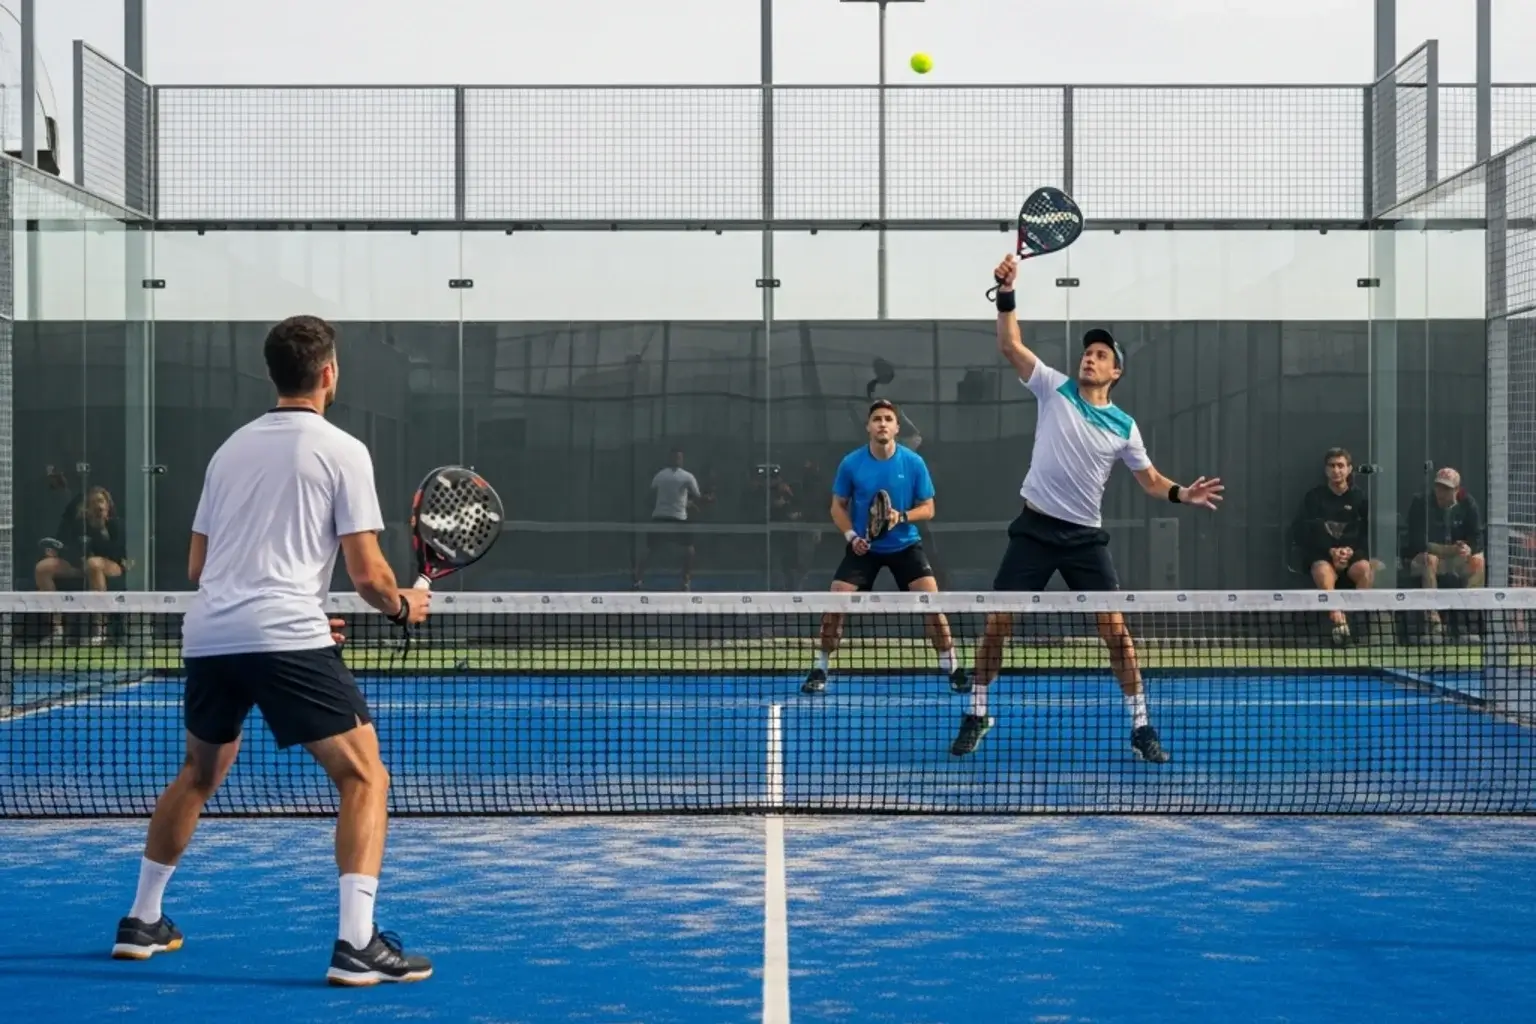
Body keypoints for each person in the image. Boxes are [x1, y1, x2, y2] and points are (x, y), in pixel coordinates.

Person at [111, 315, 434, 986]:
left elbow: (201, 565)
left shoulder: (228, 451)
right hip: (283, 634)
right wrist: (405, 604)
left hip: (211, 634)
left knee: (197, 776)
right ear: (328, 374)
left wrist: (297, 613)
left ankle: (142, 921)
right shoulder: (343, 449)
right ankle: (356, 943)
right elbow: (371, 576)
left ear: (272, 374)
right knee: (365, 777)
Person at [953, 255, 1223, 760]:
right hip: (1033, 529)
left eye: (1101, 355)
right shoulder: (1053, 387)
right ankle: (978, 710)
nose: (1089, 358)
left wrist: (1183, 493)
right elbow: (1010, 344)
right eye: (1088, 352)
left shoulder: (1124, 425)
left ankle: (1141, 725)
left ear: (1115, 370)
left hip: (1083, 539)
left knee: (1114, 631)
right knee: (997, 625)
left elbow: (1150, 480)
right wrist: (1007, 291)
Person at [802, 399, 967, 695]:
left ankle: (953, 669)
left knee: (933, 604)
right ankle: (820, 668)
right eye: (877, 418)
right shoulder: (851, 463)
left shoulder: (913, 463)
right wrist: (852, 536)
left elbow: (928, 507)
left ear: (896, 427)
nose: (882, 423)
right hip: (864, 547)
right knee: (836, 602)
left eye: (888, 419)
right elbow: (837, 507)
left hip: (905, 545)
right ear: (868, 426)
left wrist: (900, 517)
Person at [1290, 447, 1373, 646]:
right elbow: (1305, 531)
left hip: (1353, 556)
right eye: (1332, 466)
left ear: (1349, 469)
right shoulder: (1313, 498)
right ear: (1326, 470)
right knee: (1322, 571)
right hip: (1323, 556)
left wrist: (1350, 551)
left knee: (1365, 569)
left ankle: (1357, 622)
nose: (1336, 470)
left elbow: (1365, 532)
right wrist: (1331, 551)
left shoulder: (1360, 498)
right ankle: (1340, 625)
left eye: (1341, 466)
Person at [34, 484, 128, 645]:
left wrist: (101, 530)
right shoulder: (77, 525)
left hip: (111, 565)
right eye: (93, 503)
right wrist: (60, 554)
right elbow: (65, 546)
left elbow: (118, 553)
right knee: (43, 568)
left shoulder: (115, 526)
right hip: (80, 565)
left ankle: (100, 629)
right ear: (86, 508)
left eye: (101, 501)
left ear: (107, 505)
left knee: (93, 564)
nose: (98, 506)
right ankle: (57, 629)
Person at [1404, 467, 1485, 641]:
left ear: (1456, 490)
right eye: (1438, 487)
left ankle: (1466, 621)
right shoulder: (1420, 503)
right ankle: (1433, 621)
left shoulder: (1469, 504)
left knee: (1478, 561)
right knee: (1429, 559)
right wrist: (1449, 550)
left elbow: (1477, 537)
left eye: (1446, 489)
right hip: (1422, 560)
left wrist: (1469, 548)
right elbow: (1417, 542)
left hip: (1455, 560)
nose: (1441, 492)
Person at [633, 448, 708, 591]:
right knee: (649, 550)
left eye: (679, 457)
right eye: (675, 457)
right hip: (664, 517)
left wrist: (688, 503)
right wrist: (704, 500)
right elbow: (698, 497)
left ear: (682, 459)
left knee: (689, 551)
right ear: (671, 458)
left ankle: (685, 581)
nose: (677, 460)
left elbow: (654, 495)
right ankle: (638, 580)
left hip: (676, 518)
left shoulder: (672, 476)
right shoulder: (667, 476)